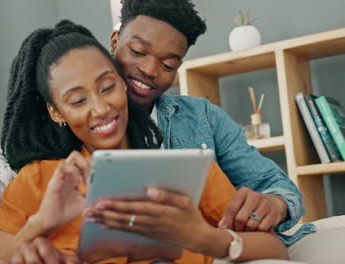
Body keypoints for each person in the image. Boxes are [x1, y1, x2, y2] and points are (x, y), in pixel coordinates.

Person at [0, 20, 289, 264]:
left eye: (107, 87)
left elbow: (276, 248)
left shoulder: (185, 170)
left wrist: (204, 238)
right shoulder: (39, 182)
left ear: (122, 84)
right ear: (57, 112)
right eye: (78, 100)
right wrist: (41, 223)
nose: (100, 109)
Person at [108, 0, 315, 242]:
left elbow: (275, 184)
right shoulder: (74, 121)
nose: (150, 70)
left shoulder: (203, 117)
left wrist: (275, 204)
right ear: (114, 43)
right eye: (137, 52)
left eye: (168, 65)